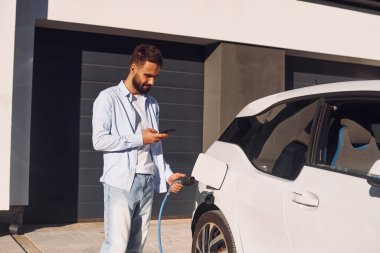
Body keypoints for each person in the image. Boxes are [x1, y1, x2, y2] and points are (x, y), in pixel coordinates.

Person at [92, 44, 186, 253]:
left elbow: (155, 149)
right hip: (121, 182)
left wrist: (168, 175)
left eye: (155, 77)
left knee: (137, 246)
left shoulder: (152, 104)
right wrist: (139, 138)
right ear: (133, 67)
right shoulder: (108, 98)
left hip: (147, 180)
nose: (151, 81)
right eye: (147, 75)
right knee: (116, 246)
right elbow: (99, 141)